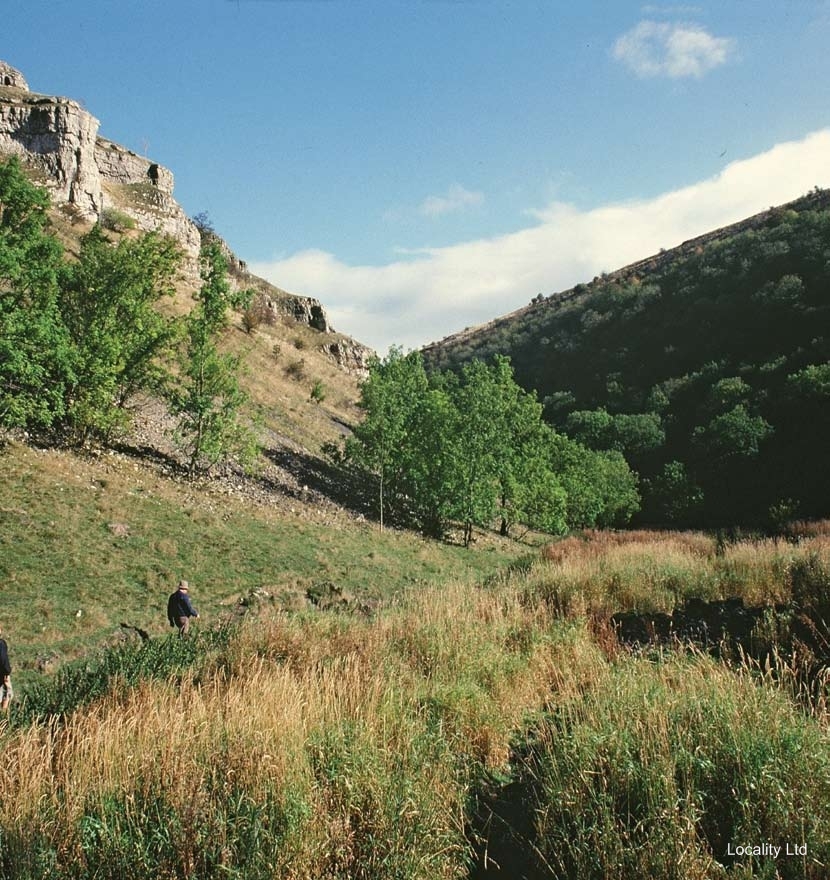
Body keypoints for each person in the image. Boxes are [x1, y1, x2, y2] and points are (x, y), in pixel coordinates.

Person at [0, 625, 12, 713]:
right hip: (1, 676)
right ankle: (3, 716)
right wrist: (7, 672)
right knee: (7, 694)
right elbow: (3, 659)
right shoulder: (1, 644)